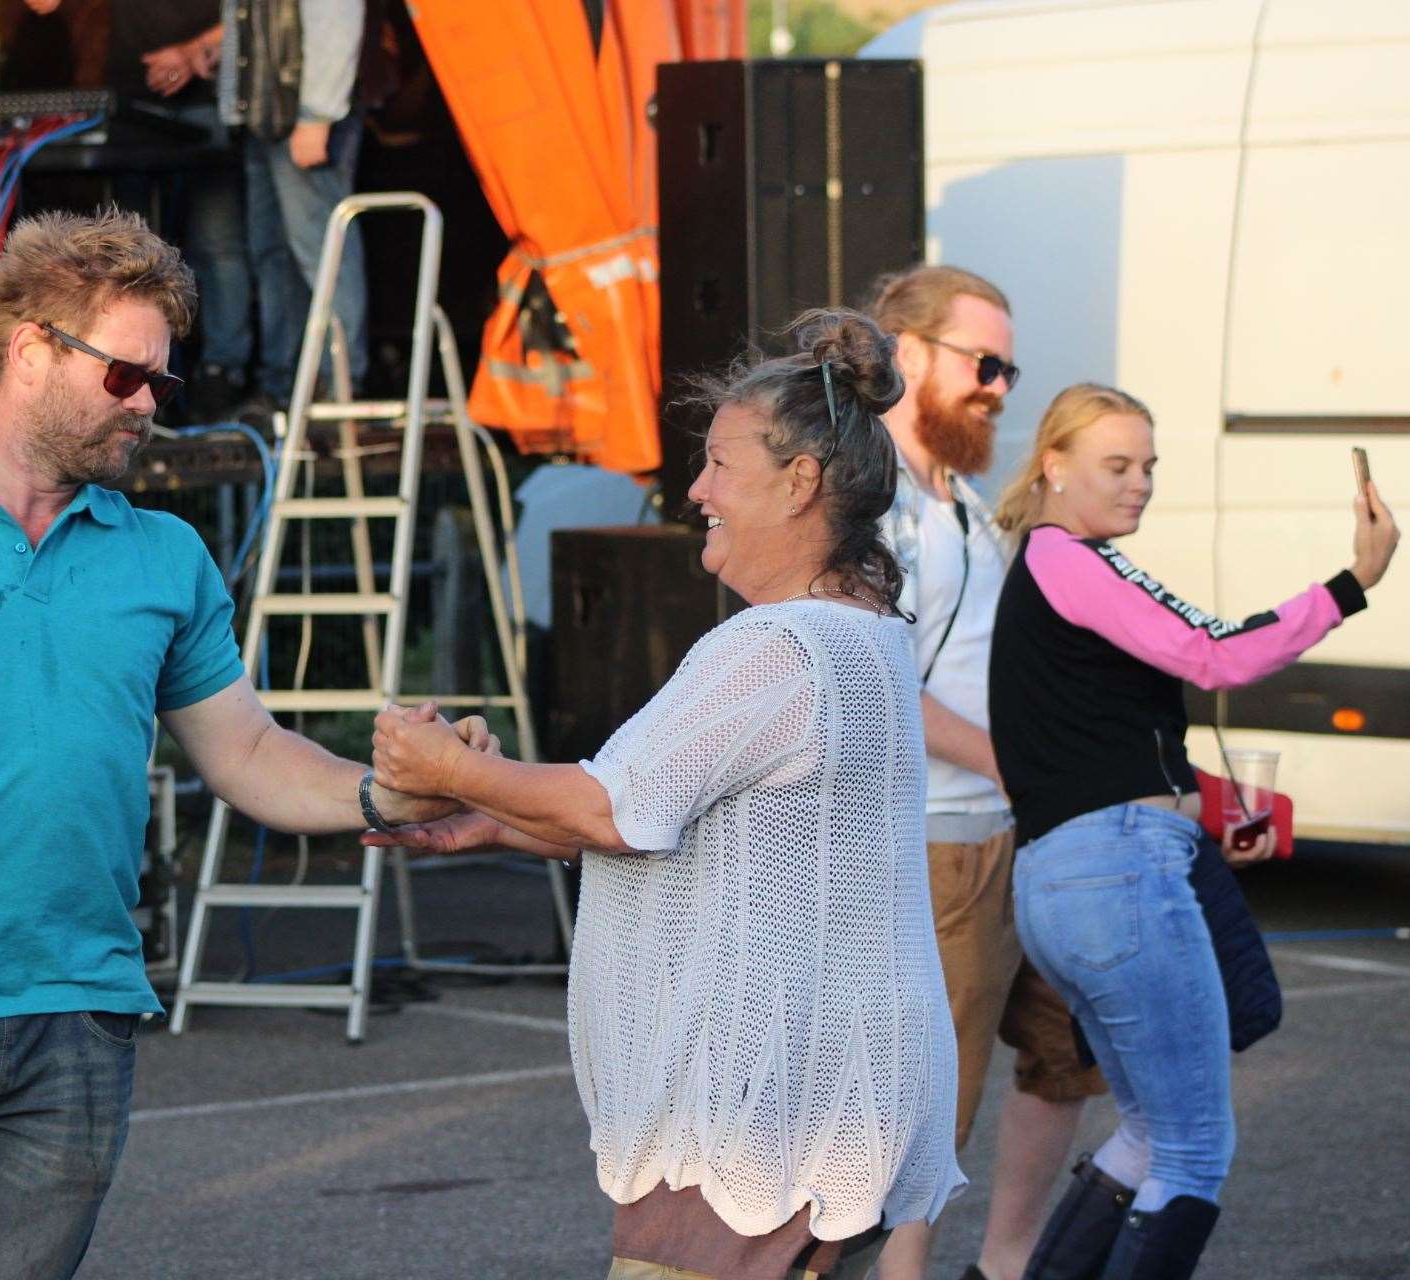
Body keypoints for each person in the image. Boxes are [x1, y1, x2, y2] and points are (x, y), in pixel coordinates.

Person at [0, 208, 480, 1280]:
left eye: (161, 381)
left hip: (75, 1021)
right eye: (126, 376)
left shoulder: (166, 556)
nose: (150, 404)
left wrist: (394, 790)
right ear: (31, 353)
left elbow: (246, 751)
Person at [364, 309, 965, 1280]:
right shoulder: (862, 636)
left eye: (721, 464)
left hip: (761, 1117)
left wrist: (442, 765)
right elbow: (704, 825)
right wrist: (499, 815)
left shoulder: (778, 648)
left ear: (801, 481)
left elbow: (615, 807)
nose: (696, 491)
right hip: (833, 1102)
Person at [988, 383, 1398, 1279]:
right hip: (1116, 880)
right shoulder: (1071, 558)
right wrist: (1353, 582)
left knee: (1147, 1138)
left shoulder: (1050, 564)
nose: (1139, 485)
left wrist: (1215, 810)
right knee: (1192, 1152)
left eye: (1149, 467)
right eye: (1117, 465)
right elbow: (1216, 650)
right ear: (1053, 465)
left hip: (1073, 882)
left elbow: (1095, 742)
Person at [865, 265, 1106, 1280]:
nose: (1001, 386)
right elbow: (879, 688)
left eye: (1009, 367)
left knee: (1068, 1051)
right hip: (941, 843)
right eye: (983, 363)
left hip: (1026, 831)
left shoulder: (960, 499)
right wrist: (1023, 760)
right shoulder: (866, 504)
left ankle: (1003, 1267)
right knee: (936, 1103)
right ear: (907, 353)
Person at [18, 0, 255, 421]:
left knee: (218, 247)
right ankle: (134, 370)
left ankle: (222, 373)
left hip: (211, 93)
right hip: (133, 93)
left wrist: (193, 50)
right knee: (131, 255)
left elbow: (255, 12)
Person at [215, 0, 372, 408]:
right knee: (274, 253)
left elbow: (336, 19)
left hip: (302, 112)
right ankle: (285, 382)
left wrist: (318, 113)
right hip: (267, 114)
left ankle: (338, 381)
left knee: (321, 249)